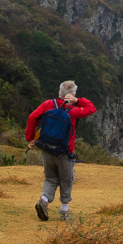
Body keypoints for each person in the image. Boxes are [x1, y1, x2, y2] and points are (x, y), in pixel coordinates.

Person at [26, 80, 97, 222]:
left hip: (46, 147)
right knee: (67, 179)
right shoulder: (73, 110)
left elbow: (32, 117)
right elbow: (91, 108)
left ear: (59, 93)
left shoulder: (48, 104)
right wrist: (77, 100)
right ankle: (64, 211)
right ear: (72, 94)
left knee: (51, 178)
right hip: (64, 151)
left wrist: (31, 138)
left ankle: (44, 200)